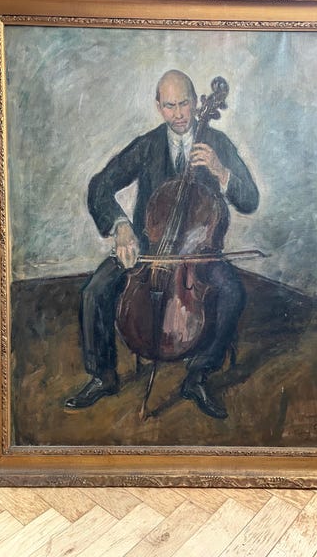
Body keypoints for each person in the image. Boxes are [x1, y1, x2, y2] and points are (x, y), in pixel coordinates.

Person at [65, 69, 259, 419]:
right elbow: (100, 186)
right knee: (94, 290)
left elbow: (249, 200)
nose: (179, 114)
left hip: (198, 255)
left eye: (184, 103)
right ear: (158, 106)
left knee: (232, 292)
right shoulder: (147, 146)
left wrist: (221, 171)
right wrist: (121, 228)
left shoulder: (217, 144)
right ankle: (103, 376)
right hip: (147, 248)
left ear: (197, 102)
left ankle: (198, 375)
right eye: (170, 106)